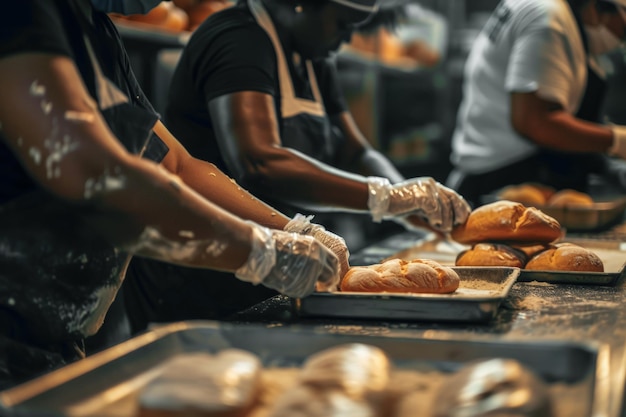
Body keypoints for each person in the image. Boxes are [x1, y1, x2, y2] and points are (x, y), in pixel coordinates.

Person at [0, 0, 347, 389]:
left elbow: (177, 166)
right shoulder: (23, 11)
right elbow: (92, 173)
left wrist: (296, 231)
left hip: (53, 340)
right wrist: (259, 252)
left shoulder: (96, 31)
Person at [116, 0, 471, 337]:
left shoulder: (312, 55)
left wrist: (408, 197)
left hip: (281, 260)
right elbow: (259, 161)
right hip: (205, 268)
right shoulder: (237, 39)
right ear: (302, 4)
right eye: (341, 24)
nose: (346, 38)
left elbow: (354, 150)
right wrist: (383, 198)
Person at [445, 0, 626, 207]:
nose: (622, 37)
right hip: (502, 184)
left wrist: (604, 163)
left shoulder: (543, 9)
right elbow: (535, 122)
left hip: (492, 174)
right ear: (598, 9)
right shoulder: (548, 18)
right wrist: (618, 141)